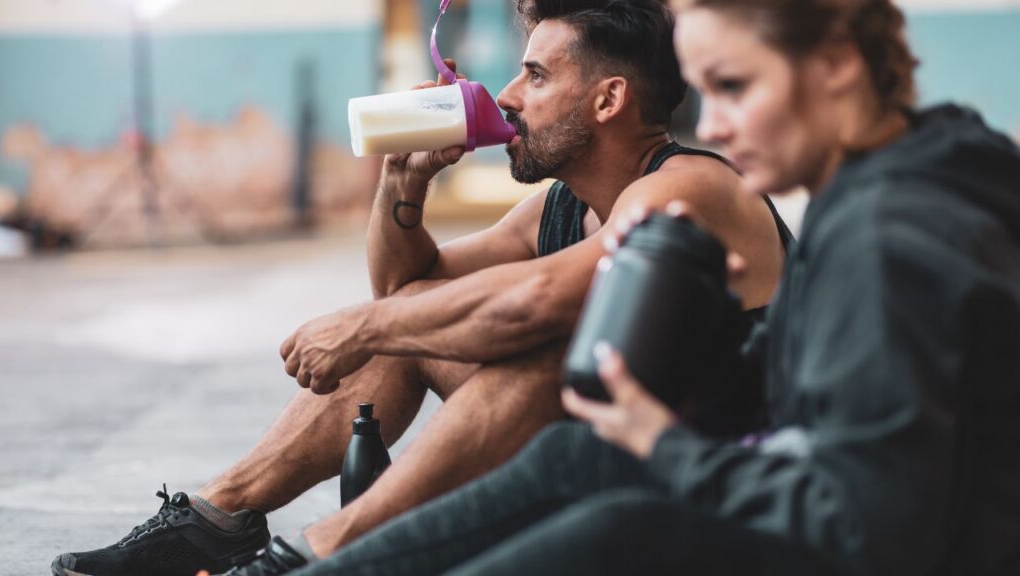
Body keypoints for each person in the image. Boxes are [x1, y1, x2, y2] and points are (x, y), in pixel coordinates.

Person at [278, 0, 1020, 575]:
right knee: (581, 457)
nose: (719, 129)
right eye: (708, 94)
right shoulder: (873, 186)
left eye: (734, 87)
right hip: (806, 500)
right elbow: (822, 399)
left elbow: (870, 524)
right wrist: (718, 340)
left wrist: (666, 444)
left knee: (620, 524)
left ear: (836, 65)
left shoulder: (892, 236)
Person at [51, 1, 792, 575]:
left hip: (704, 482)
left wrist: (366, 326)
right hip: (601, 463)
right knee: (414, 327)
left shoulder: (687, 188)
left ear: (608, 100)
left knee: (529, 358)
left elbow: (528, 303)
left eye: (536, 77)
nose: (506, 96)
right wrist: (400, 185)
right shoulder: (558, 206)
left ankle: (317, 553)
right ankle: (222, 513)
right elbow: (407, 292)